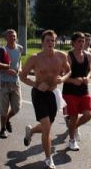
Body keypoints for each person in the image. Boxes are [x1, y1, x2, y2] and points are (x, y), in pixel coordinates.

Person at [20, 30, 71, 169]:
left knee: (45, 128)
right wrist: (36, 84)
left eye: (53, 40)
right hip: (39, 94)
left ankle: (30, 131)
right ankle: (49, 160)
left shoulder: (61, 56)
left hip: (53, 94)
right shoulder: (34, 58)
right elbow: (22, 76)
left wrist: (63, 78)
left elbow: (69, 70)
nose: (50, 43)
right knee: (47, 128)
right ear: (42, 42)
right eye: (48, 40)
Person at [63, 32, 91, 151]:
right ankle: (72, 141)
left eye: (83, 41)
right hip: (70, 91)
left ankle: (73, 127)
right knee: (74, 116)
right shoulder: (69, 56)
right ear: (73, 43)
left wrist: (88, 78)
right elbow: (63, 76)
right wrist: (73, 80)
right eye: (79, 41)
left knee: (88, 115)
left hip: (84, 90)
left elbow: (89, 71)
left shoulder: (88, 55)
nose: (82, 44)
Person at [0, 29, 23, 139]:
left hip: (15, 82)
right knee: (4, 108)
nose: (12, 38)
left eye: (14, 36)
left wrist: (19, 69)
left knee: (17, 108)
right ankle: (2, 129)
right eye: (10, 36)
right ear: (5, 38)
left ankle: (7, 119)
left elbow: (19, 61)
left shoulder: (19, 48)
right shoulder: (2, 50)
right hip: (4, 83)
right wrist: (8, 71)